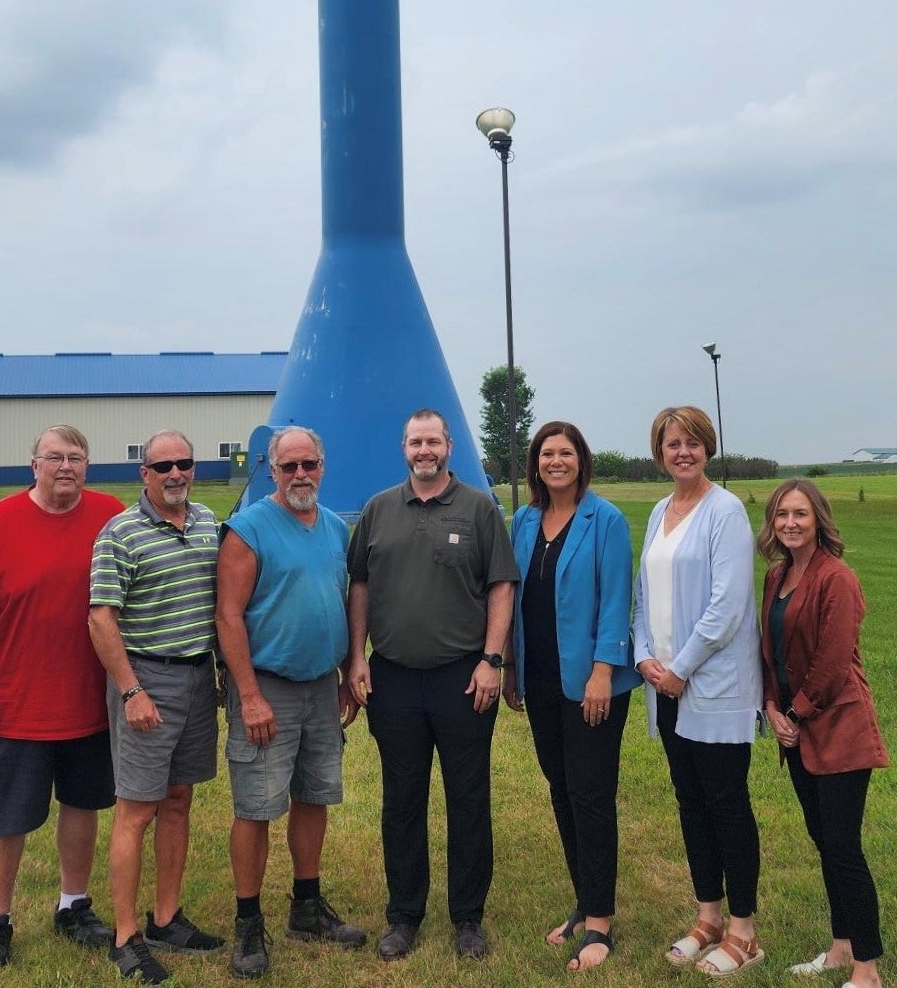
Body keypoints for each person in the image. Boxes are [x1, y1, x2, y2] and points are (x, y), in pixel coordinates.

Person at [0, 423, 124, 969]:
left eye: (75, 457)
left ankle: (74, 905)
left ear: (87, 466)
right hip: (15, 707)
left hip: (89, 703)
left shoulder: (109, 516)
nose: (65, 466)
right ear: (34, 465)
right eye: (54, 457)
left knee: (83, 806)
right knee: (5, 819)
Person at [346, 407, 519, 962]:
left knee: (468, 798)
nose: (425, 451)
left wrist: (492, 659)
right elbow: (360, 587)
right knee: (402, 801)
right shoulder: (377, 511)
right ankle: (404, 915)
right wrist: (356, 657)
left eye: (434, 442)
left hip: (463, 677)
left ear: (449, 447)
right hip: (393, 678)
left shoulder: (478, 509)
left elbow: (500, 586)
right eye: (416, 442)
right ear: (404, 448)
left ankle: (468, 917)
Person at [214, 425, 366, 979]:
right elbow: (228, 616)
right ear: (271, 471)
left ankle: (306, 903)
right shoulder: (249, 530)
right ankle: (248, 921)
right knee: (256, 806)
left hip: (321, 686)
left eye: (309, 465)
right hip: (267, 686)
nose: (300, 475)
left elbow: (344, 597)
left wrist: (351, 668)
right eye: (288, 467)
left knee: (314, 794)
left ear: (323, 466)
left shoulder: (332, 526)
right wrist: (249, 695)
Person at [634, 405, 764, 976]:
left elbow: (727, 605)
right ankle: (706, 915)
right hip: (664, 685)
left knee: (726, 804)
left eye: (691, 442)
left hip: (711, 687)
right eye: (671, 444)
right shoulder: (660, 510)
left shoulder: (726, 512)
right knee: (690, 804)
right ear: (659, 452)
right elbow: (643, 591)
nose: (681, 452)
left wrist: (680, 667)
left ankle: (743, 931)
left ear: (707, 448)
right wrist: (643, 655)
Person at [89, 432, 224, 984]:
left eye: (184, 463)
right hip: (148, 679)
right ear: (143, 474)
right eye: (163, 464)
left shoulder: (208, 522)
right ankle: (125, 936)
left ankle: (166, 916)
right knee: (136, 809)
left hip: (198, 677)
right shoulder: (119, 532)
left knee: (178, 801)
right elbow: (101, 618)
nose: (175, 473)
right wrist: (130, 690)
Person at [504, 421, 637, 972]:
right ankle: (584, 901)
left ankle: (602, 922)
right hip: (539, 680)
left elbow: (615, 599)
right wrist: (510, 667)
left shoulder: (604, 520)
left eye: (566, 453)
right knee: (561, 790)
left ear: (582, 460)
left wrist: (604, 670)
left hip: (590, 683)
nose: (556, 461)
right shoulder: (524, 520)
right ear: (535, 463)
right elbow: (513, 599)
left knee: (590, 794)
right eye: (546, 453)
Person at [759, 480, 888, 987]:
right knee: (823, 841)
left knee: (842, 845)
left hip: (839, 728)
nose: (790, 523)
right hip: (795, 729)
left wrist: (795, 711)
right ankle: (840, 947)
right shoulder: (777, 575)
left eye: (801, 514)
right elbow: (768, 649)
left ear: (819, 521)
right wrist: (772, 706)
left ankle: (867, 969)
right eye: (782, 515)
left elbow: (834, 662)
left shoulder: (838, 579)